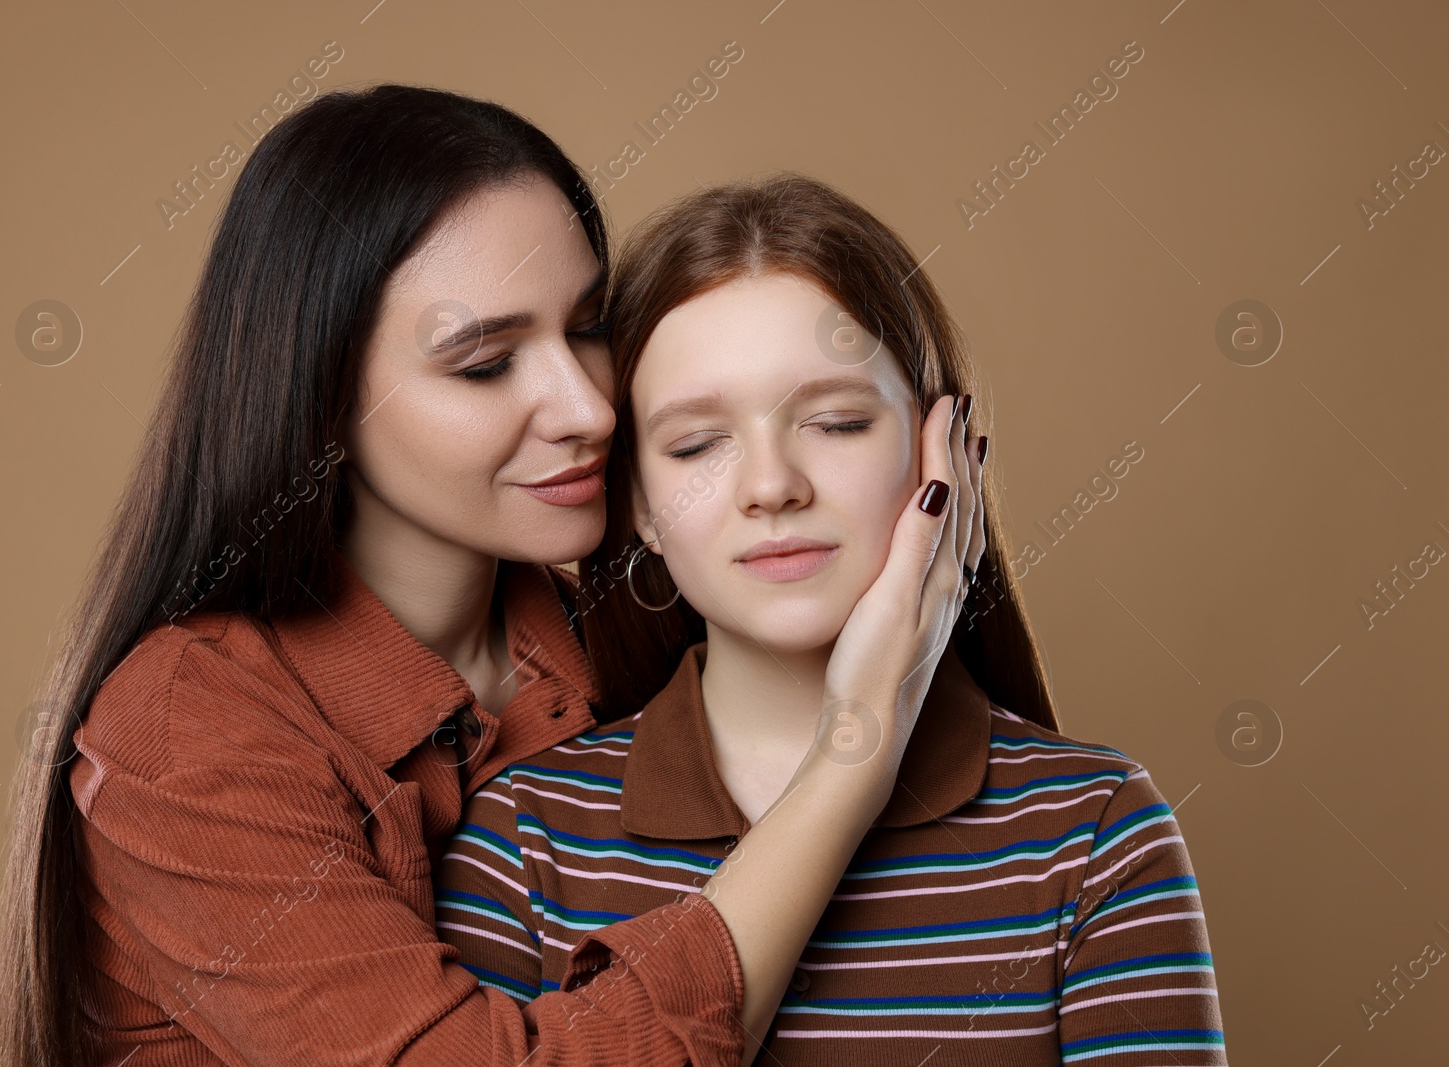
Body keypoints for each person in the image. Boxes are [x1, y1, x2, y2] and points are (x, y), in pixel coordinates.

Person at [0, 87, 981, 1067]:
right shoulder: (191, 731)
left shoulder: (632, 623)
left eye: (588, 325)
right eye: (485, 362)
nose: (588, 407)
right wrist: (857, 745)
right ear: (323, 402)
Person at [434, 174, 1229, 1063]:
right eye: (697, 444)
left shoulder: (1095, 834)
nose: (772, 486)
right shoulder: (523, 836)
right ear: (642, 508)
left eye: (838, 422)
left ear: (947, 458)